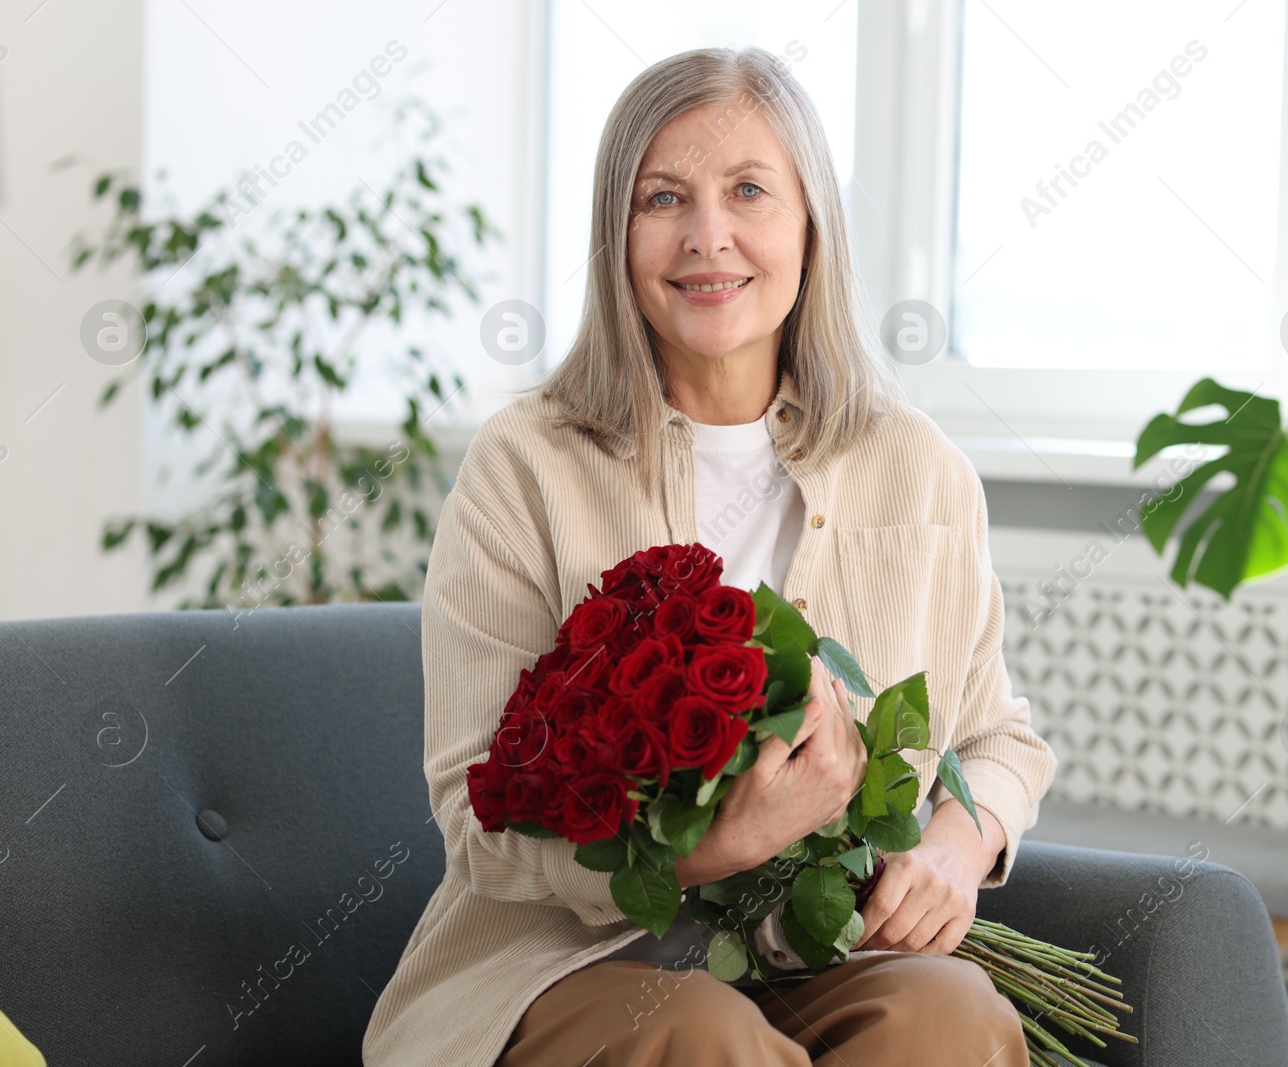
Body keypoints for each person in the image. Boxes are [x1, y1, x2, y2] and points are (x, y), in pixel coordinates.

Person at [362, 45, 1056, 1067]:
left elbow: (1000, 737)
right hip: (555, 963)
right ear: (616, 234)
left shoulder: (917, 467)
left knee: (952, 1014)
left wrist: (960, 840)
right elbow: (480, 816)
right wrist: (708, 849)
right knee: (701, 1031)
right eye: (662, 198)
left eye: (748, 192)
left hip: (818, 950)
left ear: (810, 225)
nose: (707, 237)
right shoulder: (526, 463)